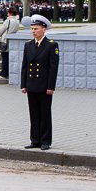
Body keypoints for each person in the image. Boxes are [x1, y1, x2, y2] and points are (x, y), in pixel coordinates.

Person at [20, 14, 59, 151]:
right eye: (32, 29)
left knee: (45, 114)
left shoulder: (51, 45)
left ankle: (45, 140)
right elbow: (24, 66)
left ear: (44, 29)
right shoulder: (28, 45)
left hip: (44, 86)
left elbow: (53, 68)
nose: (33, 31)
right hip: (31, 84)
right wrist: (23, 84)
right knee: (34, 114)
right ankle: (35, 140)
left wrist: (50, 87)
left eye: (36, 29)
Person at [0, 7, 19, 79]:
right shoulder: (17, 21)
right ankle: (8, 73)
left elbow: (1, 30)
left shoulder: (8, 21)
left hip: (5, 41)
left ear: (10, 13)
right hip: (12, 41)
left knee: (4, 58)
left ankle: (3, 74)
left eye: (8, 13)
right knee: (9, 58)